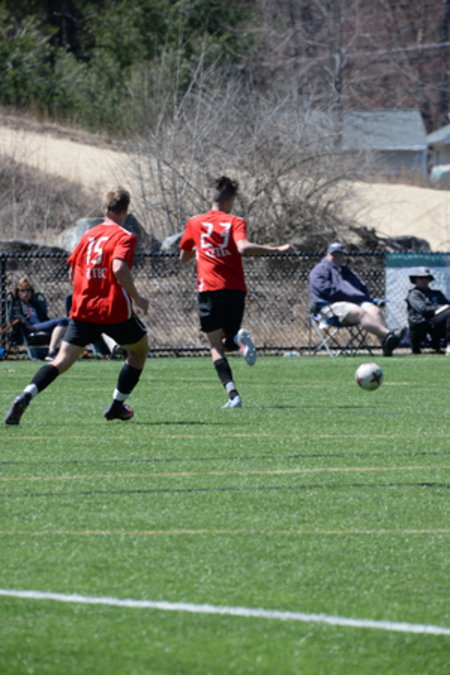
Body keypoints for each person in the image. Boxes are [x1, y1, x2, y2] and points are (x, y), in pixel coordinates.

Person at [5, 186, 149, 425]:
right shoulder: (124, 236)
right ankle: (116, 405)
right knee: (139, 351)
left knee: (61, 360)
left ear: (104, 208)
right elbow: (118, 267)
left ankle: (26, 394)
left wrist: (86, 291)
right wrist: (138, 297)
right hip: (112, 309)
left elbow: (72, 272)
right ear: (126, 209)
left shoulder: (88, 236)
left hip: (83, 309)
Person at [179, 175, 291, 408]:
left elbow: (183, 257)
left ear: (211, 198)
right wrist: (275, 249)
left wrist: (198, 251)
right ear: (230, 201)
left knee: (215, 345)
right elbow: (243, 247)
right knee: (227, 342)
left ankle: (233, 395)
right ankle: (236, 343)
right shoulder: (235, 221)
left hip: (209, 289)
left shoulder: (194, 222)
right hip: (235, 289)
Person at [309, 242, 405, 356]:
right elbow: (326, 290)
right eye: (334, 254)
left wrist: (361, 297)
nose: (337, 257)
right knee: (359, 312)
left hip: (352, 302)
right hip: (329, 307)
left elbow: (362, 288)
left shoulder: (347, 271)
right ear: (327, 255)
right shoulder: (319, 270)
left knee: (375, 310)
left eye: (340, 254)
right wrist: (349, 295)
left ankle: (386, 346)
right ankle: (389, 334)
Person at [10, 276, 69, 360]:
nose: (26, 293)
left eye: (28, 291)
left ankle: (65, 352)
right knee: (62, 320)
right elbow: (20, 319)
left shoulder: (35, 304)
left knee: (67, 323)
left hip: (40, 325)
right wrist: (33, 329)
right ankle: (51, 352)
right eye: (22, 291)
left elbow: (44, 318)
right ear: (18, 292)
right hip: (32, 327)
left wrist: (50, 326)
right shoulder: (17, 305)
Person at [406, 266, 450, 355]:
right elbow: (423, 309)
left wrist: (443, 308)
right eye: (420, 278)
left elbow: (447, 305)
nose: (424, 280)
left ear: (429, 280)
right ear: (415, 280)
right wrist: (440, 307)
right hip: (420, 322)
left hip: (436, 322)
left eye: (426, 278)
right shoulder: (414, 294)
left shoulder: (437, 293)